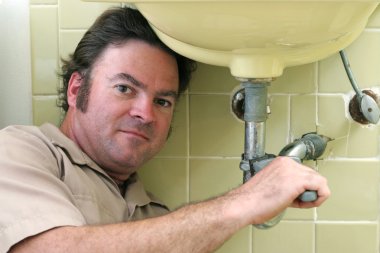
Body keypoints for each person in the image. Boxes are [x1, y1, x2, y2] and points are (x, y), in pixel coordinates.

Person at [0, 7, 330, 253]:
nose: (145, 113)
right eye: (124, 88)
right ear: (76, 89)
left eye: (162, 101)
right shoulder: (20, 151)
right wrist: (246, 201)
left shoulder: (155, 216)